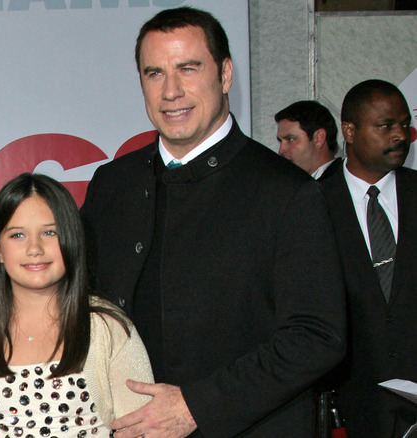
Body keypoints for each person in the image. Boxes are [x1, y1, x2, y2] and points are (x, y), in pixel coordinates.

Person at [80, 7, 346, 437]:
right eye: (154, 73)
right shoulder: (111, 183)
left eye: (188, 68)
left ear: (224, 75)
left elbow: (317, 336)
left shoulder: (288, 192)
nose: (171, 91)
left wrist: (197, 406)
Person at [0, 173, 154, 438]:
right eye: (18, 235)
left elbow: (144, 430)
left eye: (50, 232)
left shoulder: (108, 327)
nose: (35, 248)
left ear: (72, 240)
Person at [320, 79, 417, 437]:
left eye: (405, 124)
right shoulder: (314, 203)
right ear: (349, 130)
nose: (400, 136)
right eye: (385, 125)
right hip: (346, 408)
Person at [275, 100, 342, 179]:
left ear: (318, 138)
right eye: (280, 141)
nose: (281, 150)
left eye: (290, 139)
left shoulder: (342, 184)